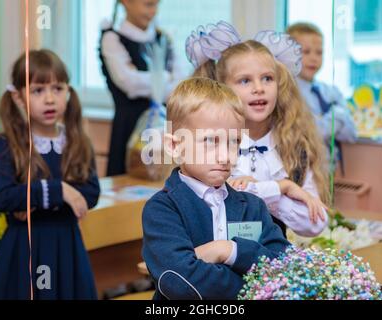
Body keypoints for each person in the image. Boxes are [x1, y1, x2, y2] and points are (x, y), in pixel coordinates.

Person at [142, 78, 290, 300]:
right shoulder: (162, 209)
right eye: (211, 141)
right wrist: (254, 284)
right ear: (175, 146)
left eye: (234, 141)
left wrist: (228, 251)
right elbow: (181, 282)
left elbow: (283, 269)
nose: (225, 156)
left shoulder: (253, 206)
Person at [188, 21, 329, 237]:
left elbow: (316, 223)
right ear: (222, 88)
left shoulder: (293, 146)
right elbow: (208, 206)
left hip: (269, 265)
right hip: (217, 266)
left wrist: (273, 191)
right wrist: (283, 188)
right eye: (245, 80)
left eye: (267, 78)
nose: (259, 88)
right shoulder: (208, 146)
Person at [0, 50, 100, 300]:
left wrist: (33, 197)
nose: (50, 99)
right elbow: (6, 198)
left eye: (57, 88)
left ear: (68, 92)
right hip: (23, 249)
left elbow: (90, 194)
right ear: (18, 97)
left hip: (67, 248)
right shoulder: (5, 144)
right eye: (38, 90)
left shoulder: (78, 141)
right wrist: (62, 192)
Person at [100, 0, 185, 176]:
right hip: (128, 128)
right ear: (126, 3)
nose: (153, 11)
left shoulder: (163, 39)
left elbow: (179, 86)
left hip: (163, 128)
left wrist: (156, 80)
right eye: (147, 4)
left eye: (156, 5)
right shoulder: (112, 38)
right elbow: (130, 84)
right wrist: (164, 76)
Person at [286, 22, 357, 147]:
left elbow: (350, 134)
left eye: (319, 52)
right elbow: (312, 133)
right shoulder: (288, 92)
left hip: (330, 165)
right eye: (306, 52)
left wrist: (325, 123)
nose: (314, 58)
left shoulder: (331, 91)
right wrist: (338, 116)